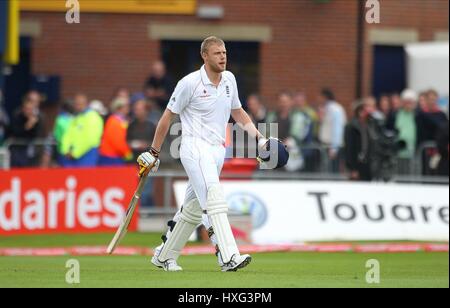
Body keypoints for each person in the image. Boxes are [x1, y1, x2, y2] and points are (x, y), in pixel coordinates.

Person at [137, 36, 286, 272]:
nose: (223, 56)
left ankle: (164, 256)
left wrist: (260, 138)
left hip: (217, 150)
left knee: (194, 208)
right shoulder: (189, 83)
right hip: (194, 147)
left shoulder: (229, 80)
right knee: (213, 200)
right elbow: (167, 117)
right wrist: (153, 151)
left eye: (224, 52)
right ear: (204, 56)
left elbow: (238, 112)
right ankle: (228, 257)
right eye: (217, 53)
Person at [60, 93, 104, 167]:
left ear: (86, 104)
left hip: (87, 156)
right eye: (76, 104)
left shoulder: (93, 117)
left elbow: (90, 139)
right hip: (71, 157)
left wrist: (75, 153)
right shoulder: (77, 117)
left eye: (80, 104)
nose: (78, 106)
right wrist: (65, 150)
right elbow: (67, 135)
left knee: (85, 178)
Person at [127, 99, 157, 206]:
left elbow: (156, 143)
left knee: (146, 188)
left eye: (139, 109)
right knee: (133, 187)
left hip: (148, 161)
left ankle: (146, 211)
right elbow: (127, 140)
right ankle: (137, 211)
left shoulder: (151, 125)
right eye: (135, 109)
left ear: (145, 111)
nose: (137, 112)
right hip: (133, 161)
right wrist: (132, 144)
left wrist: (146, 145)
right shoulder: (131, 125)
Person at [318, 88, 347, 173]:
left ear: (324, 97)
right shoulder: (326, 108)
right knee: (326, 170)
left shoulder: (335, 109)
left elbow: (337, 129)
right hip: (326, 145)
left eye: (320, 97)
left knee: (332, 172)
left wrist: (334, 148)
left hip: (332, 147)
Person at [9, 99, 44, 167]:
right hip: (17, 149)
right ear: (23, 109)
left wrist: (34, 124)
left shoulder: (35, 119)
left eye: (31, 109)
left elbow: (37, 134)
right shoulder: (17, 117)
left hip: (31, 149)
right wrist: (28, 126)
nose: (29, 111)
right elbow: (16, 133)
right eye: (27, 109)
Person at [99, 98, 133, 166]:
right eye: (125, 106)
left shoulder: (116, 120)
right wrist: (127, 152)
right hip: (111, 157)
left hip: (111, 155)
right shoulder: (115, 122)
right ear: (119, 108)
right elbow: (118, 141)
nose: (128, 109)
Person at [345, 100, 373, 181]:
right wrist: (352, 168)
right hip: (356, 164)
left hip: (367, 164)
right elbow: (349, 148)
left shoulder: (369, 125)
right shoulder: (351, 127)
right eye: (366, 110)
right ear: (360, 112)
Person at [394, 89, 418, 174]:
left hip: (414, 151)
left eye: (410, 102)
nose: (408, 104)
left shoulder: (418, 115)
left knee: (412, 173)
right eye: (406, 102)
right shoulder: (396, 114)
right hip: (398, 152)